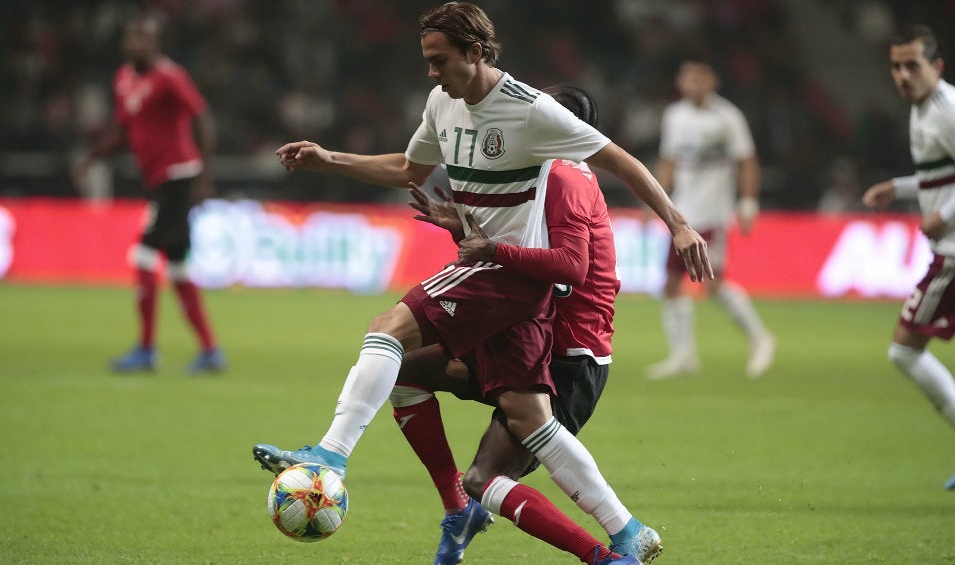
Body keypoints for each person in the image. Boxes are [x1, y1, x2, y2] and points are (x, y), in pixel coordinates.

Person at [253, 4, 711, 563]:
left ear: (476, 52)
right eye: (425, 60)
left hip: (511, 282)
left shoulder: (535, 118)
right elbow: (407, 169)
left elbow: (619, 160)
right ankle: (620, 536)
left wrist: (680, 223)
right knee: (525, 421)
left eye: (438, 60)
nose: (430, 72)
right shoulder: (442, 103)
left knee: (389, 330)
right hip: (516, 292)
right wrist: (330, 160)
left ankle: (331, 455)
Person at [389, 84, 662, 564]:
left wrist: (491, 249)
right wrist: (464, 229)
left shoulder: (563, 177)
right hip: (525, 337)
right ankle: (460, 509)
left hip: (567, 356)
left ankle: (611, 548)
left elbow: (567, 267)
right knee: (403, 368)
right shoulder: (545, 174)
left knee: (485, 479)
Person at [74, 14, 226, 375]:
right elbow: (126, 132)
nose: (137, 44)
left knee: (143, 255)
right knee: (176, 267)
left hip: (179, 175)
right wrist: (93, 157)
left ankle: (146, 349)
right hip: (158, 179)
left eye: (145, 39)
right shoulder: (124, 79)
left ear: (157, 44)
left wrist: (203, 177)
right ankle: (210, 351)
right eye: (133, 38)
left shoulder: (170, 76)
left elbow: (202, 118)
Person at [861, 24, 955, 491]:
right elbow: (943, 177)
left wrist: (946, 217)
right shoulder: (923, 111)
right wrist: (898, 189)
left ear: (936, 66)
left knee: (904, 349)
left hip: (953, 254)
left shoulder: (947, 110)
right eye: (896, 66)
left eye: (912, 65)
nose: (903, 75)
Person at [645, 59, 776, 380]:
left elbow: (747, 161)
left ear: (712, 81)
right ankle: (683, 355)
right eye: (687, 78)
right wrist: (655, 201)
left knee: (713, 284)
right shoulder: (674, 115)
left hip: (713, 213)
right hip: (682, 212)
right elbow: (668, 161)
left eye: (698, 78)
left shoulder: (727, 117)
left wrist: (747, 202)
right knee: (672, 283)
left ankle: (761, 338)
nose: (692, 85)